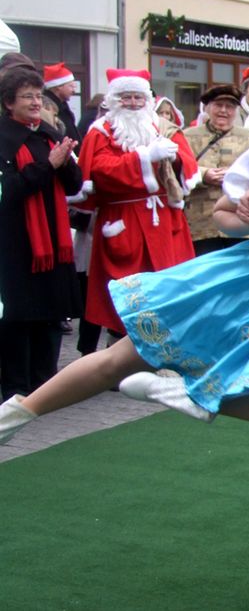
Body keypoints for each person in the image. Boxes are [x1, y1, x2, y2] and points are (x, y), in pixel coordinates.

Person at [0, 23, 249, 443]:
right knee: (121, 358)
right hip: (246, 282)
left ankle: (188, 391)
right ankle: (14, 416)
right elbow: (223, 215)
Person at [72, 69, 198, 340]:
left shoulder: (162, 126)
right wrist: (145, 157)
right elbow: (101, 171)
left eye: (137, 97)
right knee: (125, 294)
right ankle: (119, 359)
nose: (132, 103)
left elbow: (188, 163)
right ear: (114, 100)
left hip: (164, 220)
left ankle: (163, 356)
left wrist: (175, 160)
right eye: (125, 97)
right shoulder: (100, 132)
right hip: (124, 221)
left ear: (147, 99)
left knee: (168, 288)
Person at [0, 65, 82, 401]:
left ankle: (45, 383)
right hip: (16, 242)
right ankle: (16, 387)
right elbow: (7, 192)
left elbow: (74, 185)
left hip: (54, 241)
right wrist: (48, 165)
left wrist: (65, 162)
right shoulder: (3, 139)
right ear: (8, 103)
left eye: (38, 95)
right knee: (19, 318)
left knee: (50, 313)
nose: (36, 102)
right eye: (27, 97)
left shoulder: (48, 133)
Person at [183, 84, 249, 255]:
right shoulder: (188, 136)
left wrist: (233, 175)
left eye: (230, 106)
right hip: (200, 223)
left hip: (238, 220)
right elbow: (177, 169)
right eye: (218, 105)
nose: (224, 110)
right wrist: (203, 174)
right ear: (207, 107)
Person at [41, 61, 81, 144]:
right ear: (59, 86)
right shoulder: (47, 108)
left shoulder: (62, 106)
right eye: (71, 86)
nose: (74, 91)